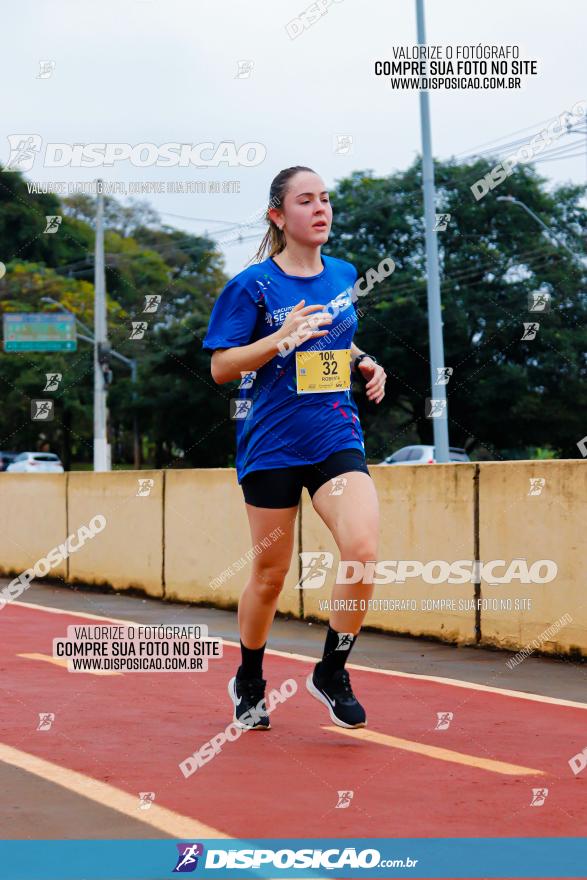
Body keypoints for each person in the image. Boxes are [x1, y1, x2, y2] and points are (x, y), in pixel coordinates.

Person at [202, 166, 387, 731]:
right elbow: (219, 367)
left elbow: (335, 333)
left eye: (325, 199)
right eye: (305, 201)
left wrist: (362, 360)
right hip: (272, 443)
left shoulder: (344, 274)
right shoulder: (252, 286)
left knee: (362, 550)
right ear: (278, 216)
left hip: (334, 433)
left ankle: (331, 671)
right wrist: (276, 339)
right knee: (269, 575)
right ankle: (250, 679)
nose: (320, 209)